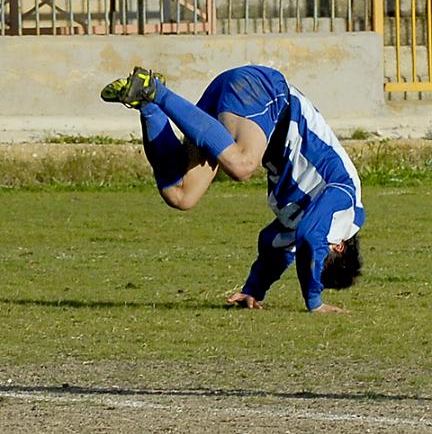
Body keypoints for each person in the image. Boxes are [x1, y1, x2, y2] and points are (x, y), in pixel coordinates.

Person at [101, 65, 364, 312]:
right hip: (265, 93)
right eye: (318, 256)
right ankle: (156, 91)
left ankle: (147, 104)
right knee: (242, 165)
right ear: (339, 245)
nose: (308, 257)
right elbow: (309, 237)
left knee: (181, 195)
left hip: (237, 105)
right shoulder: (345, 200)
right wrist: (314, 301)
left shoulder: (311, 215)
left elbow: (274, 245)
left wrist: (253, 290)